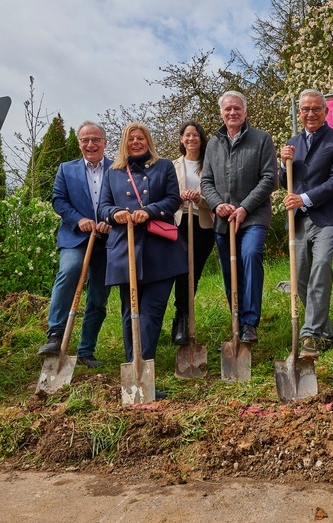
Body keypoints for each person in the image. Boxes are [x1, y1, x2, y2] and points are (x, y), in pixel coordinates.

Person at [98, 122, 185, 373]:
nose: (136, 142)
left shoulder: (164, 166)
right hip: (125, 250)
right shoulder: (113, 172)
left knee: (152, 310)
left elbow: (172, 200)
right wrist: (116, 214)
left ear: (148, 141)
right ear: (124, 143)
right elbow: (103, 207)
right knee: (130, 311)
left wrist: (148, 211)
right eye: (131, 139)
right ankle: (132, 367)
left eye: (141, 138)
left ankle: (142, 367)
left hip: (160, 251)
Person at [279, 89, 333, 358]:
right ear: (299, 113)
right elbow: (284, 181)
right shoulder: (292, 142)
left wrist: (304, 198)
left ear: (326, 111)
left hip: (326, 216)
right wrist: (283, 164)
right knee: (299, 278)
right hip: (297, 220)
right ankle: (328, 332)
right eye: (305, 109)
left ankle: (309, 335)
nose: (310, 113)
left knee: (321, 267)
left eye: (316, 109)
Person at [200, 90, 277, 344]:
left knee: (251, 255)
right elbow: (206, 181)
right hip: (224, 219)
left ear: (245, 112)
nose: (232, 113)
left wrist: (244, 207)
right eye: (227, 109)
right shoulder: (213, 144)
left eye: (237, 109)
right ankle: (237, 315)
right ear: (221, 113)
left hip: (253, 215)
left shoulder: (261, 139)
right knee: (229, 269)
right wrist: (217, 204)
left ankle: (250, 322)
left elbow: (269, 178)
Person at [37, 121, 113, 368]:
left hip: (108, 239)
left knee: (99, 295)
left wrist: (110, 221)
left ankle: (86, 350)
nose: (90, 144)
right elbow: (58, 201)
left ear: (104, 142)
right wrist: (78, 219)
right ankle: (55, 334)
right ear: (80, 143)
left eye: (95, 139)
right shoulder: (66, 169)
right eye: (85, 140)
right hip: (76, 237)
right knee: (69, 270)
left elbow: (125, 200)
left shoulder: (118, 168)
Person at [170, 121, 216, 344]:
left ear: (201, 138)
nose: (191, 139)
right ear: (181, 139)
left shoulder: (210, 165)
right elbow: (167, 196)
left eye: (196, 135)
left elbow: (217, 197)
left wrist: (200, 198)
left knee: (193, 272)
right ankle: (181, 318)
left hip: (203, 223)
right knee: (181, 270)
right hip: (179, 222)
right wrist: (177, 197)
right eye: (187, 135)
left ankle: (184, 315)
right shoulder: (172, 166)